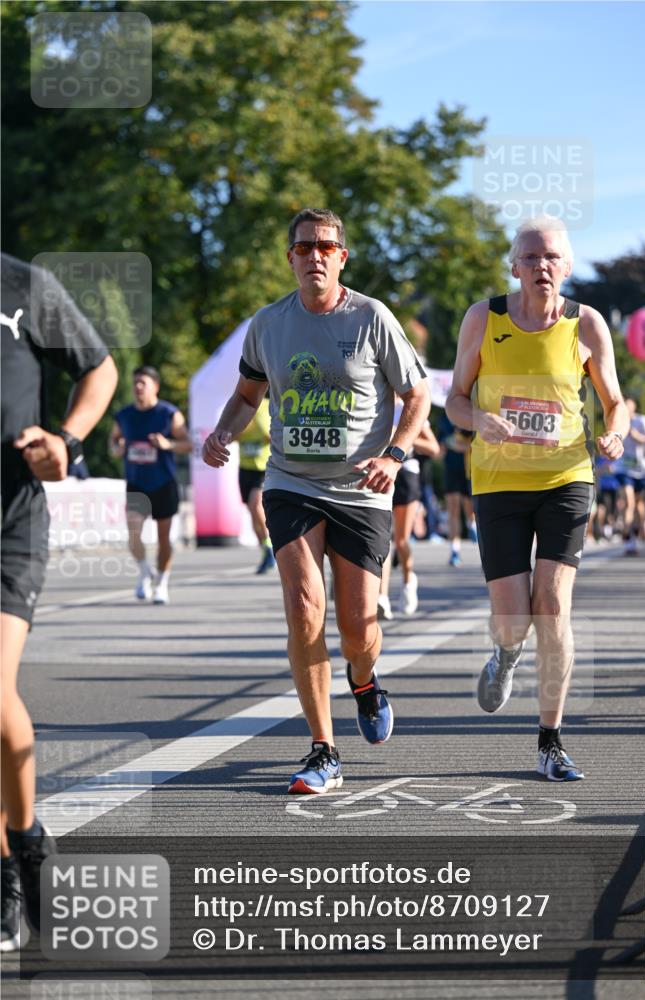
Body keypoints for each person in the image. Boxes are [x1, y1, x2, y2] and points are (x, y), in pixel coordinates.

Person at [202, 208, 430, 794]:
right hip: (291, 483)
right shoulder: (269, 324)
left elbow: (417, 395)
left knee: (357, 627)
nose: (315, 257)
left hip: (362, 490)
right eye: (304, 248)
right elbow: (247, 393)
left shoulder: (372, 317)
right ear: (291, 258)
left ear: (342, 257)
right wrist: (225, 430)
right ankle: (323, 749)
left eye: (326, 247)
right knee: (305, 606)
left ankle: (364, 678)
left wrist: (396, 456)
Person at [446, 216, 628, 781]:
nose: (541, 267)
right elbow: (452, 399)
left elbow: (615, 400)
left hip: (566, 476)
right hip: (498, 481)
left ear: (567, 267)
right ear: (514, 267)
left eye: (552, 258)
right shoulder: (485, 317)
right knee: (513, 617)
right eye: (531, 258)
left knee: (551, 605)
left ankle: (550, 739)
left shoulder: (586, 323)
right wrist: (479, 419)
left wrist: (615, 432)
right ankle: (504, 652)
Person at [1, 252, 117, 950]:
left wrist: (66, 441)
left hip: (9, 524)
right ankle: (15, 852)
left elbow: (97, 369)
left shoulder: (24, 284)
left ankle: (23, 847)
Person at [110, 366, 191, 604]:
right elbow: (113, 441)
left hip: (163, 482)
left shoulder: (169, 413)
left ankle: (162, 583)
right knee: (133, 533)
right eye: (135, 382)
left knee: (163, 539)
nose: (137, 387)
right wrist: (117, 449)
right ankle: (145, 572)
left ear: (155, 386)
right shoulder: (124, 415)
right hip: (136, 483)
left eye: (142, 383)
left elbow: (187, 443)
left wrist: (168, 445)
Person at [378, 402, 440, 619]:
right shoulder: (373, 401)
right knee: (382, 539)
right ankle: (382, 598)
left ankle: (407, 580)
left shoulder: (411, 406)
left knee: (401, 540)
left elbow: (434, 448)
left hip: (406, 474)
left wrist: (403, 435)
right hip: (378, 471)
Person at [236, 396, 276, 574]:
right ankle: (266, 550)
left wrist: (264, 433)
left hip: (264, 467)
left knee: (255, 504)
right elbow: (231, 436)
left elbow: (273, 435)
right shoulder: (240, 408)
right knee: (252, 513)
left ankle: (272, 543)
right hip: (246, 468)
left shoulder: (269, 406)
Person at [614, 397, 645, 555]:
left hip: (641, 469)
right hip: (623, 469)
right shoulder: (618, 422)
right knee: (629, 502)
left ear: (634, 408)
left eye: (629, 407)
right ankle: (626, 535)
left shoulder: (643, 422)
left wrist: (633, 433)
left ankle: (634, 537)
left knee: (638, 506)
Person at [437, 411, 477, 567]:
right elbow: (440, 447)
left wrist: (461, 444)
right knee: (453, 509)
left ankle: (471, 526)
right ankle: (455, 551)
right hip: (451, 468)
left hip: (470, 469)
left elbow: (474, 443)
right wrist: (448, 443)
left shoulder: (471, 412)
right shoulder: (443, 419)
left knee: (470, 510)